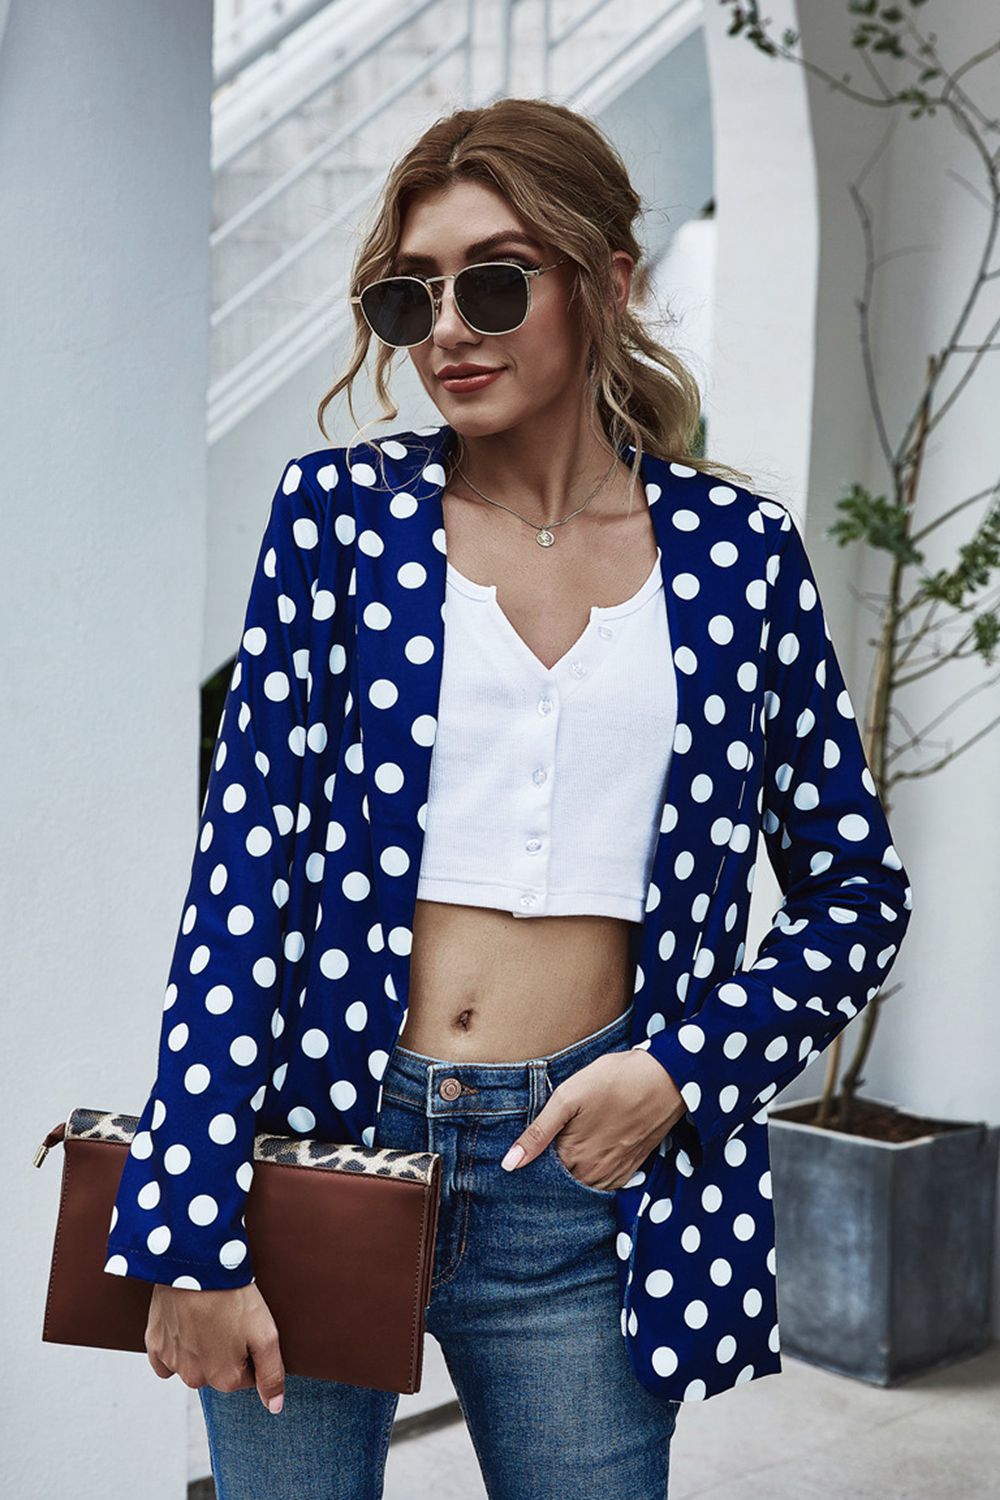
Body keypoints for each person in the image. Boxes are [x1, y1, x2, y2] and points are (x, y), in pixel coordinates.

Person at [103, 97, 912, 1499]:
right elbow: (242, 881)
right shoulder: (338, 519)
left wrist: (682, 1072)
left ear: (612, 281)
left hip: (585, 1181)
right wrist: (188, 1231)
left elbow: (856, 893)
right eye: (408, 296)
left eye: (491, 281)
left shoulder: (740, 556)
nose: (446, 331)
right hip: (323, 1140)